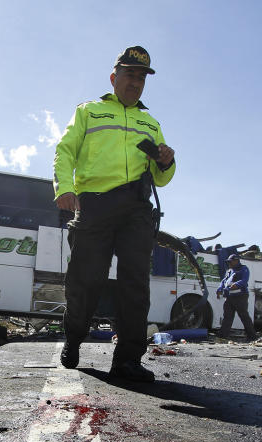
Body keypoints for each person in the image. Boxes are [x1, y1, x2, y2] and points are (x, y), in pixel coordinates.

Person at [54, 46, 175, 382]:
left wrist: (166, 161)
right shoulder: (89, 111)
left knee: (135, 282)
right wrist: (64, 187)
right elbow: (65, 151)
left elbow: (162, 178)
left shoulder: (150, 122)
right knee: (85, 281)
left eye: (141, 77)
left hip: (136, 208)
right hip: (94, 205)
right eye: (129, 74)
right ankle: (74, 337)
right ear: (114, 77)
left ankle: (128, 360)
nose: (135, 82)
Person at [216, 254, 257, 341]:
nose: (229, 263)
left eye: (230, 261)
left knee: (244, 316)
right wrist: (219, 289)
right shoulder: (229, 271)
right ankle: (223, 335)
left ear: (236, 261)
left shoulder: (243, 269)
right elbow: (224, 281)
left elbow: (244, 280)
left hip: (240, 297)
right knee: (227, 316)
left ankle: (252, 336)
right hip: (229, 297)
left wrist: (237, 285)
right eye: (228, 262)